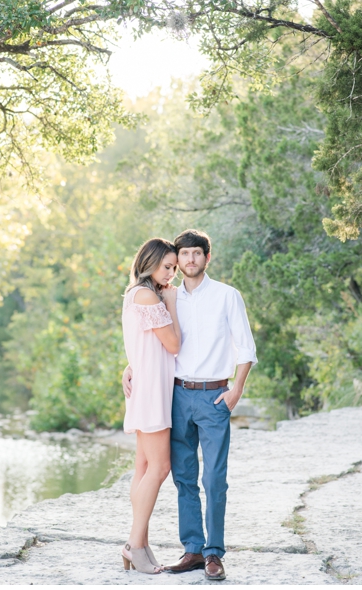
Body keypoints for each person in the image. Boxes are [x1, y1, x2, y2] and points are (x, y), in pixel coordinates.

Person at [123, 229, 257, 581]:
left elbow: (246, 348)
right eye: (183, 255)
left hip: (214, 396)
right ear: (177, 260)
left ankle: (214, 553)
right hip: (176, 395)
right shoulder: (166, 294)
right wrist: (131, 365)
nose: (190, 260)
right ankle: (193, 550)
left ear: (207, 258)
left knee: (214, 478)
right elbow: (149, 339)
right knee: (183, 477)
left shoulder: (228, 296)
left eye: (197, 254)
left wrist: (236, 391)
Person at [120, 238, 181, 574]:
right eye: (166, 266)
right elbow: (172, 344)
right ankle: (135, 544)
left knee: (144, 467)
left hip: (146, 385)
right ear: (149, 262)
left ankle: (139, 541)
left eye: (173, 267)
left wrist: (129, 367)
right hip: (153, 390)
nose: (171, 273)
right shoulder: (148, 296)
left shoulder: (136, 294)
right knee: (159, 468)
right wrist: (170, 303)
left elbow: (140, 345)